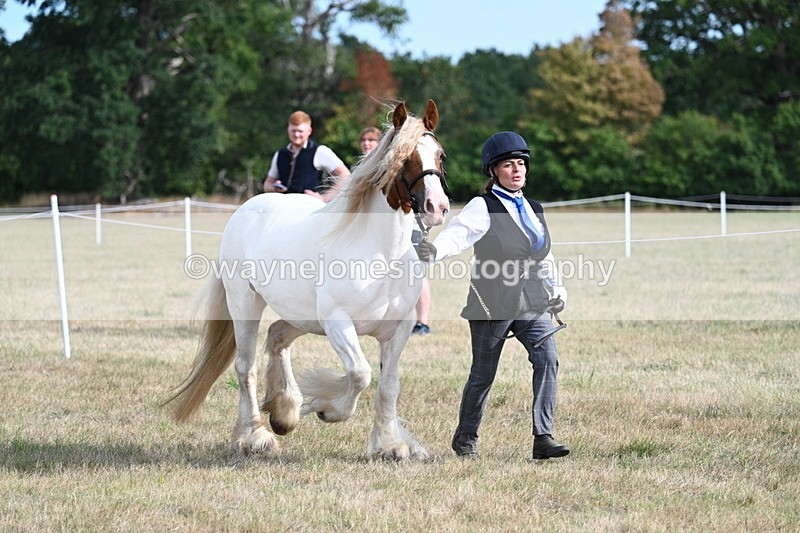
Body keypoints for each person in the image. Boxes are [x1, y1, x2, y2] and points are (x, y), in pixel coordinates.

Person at [415, 131, 570, 460]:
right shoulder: (482, 206)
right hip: (492, 301)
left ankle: (543, 438)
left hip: (533, 301)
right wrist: (434, 251)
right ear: (493, 170)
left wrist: (557, 288)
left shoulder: (534, 208)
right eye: (508, 165)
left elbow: (544, 255)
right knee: (483, 375)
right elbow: (458, 236)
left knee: (547, 359)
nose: (517, 170)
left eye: (521, 164)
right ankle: (465, 438)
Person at [359, 126, 434, 336]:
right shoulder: (362, 167)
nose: (367, 144)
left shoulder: (395, 164)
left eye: (371, 140)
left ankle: (422, 322)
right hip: (380, 229)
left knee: (416, 272)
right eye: (364, 140)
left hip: (410, 225)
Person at [264, 111, 350, 199]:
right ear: (288, 129)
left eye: (300, 131)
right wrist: (274, 188)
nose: (296, 134)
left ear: (309, 131)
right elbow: (267, 184)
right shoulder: (280, 154)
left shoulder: (320, 151)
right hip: (282, 205)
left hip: (309, 206)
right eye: (293, 131)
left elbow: (345, 175)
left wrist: (324, 197)